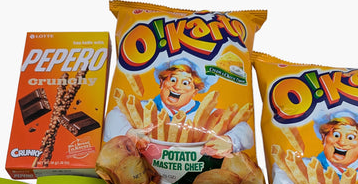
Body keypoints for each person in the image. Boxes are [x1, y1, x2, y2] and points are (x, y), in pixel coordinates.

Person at [102, 58, 254, 158]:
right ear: (161, 83)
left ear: (195, 91)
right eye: (172, 79)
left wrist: (230, 141)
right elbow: (112, 117)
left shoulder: (210, 116)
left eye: (186, 83)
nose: (177, 86)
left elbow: (245, 129)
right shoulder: (142, 108)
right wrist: (128, 132)